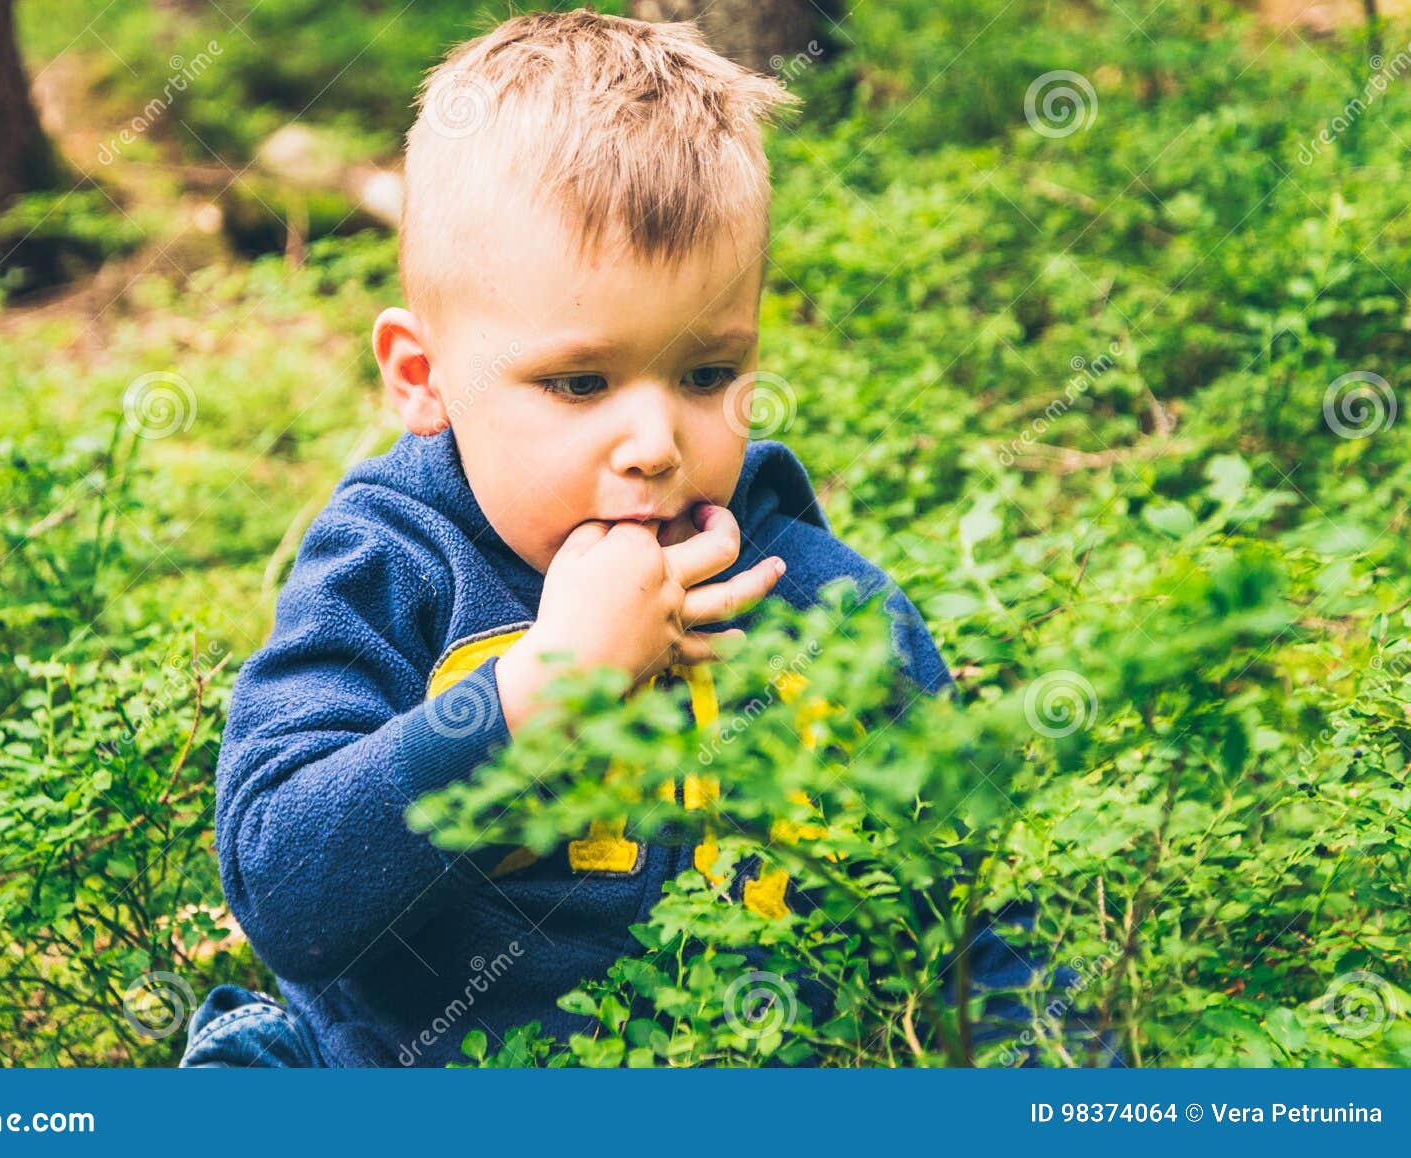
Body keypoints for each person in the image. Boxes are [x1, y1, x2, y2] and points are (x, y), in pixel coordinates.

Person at [181, 8, 968, 1069]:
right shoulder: (393, 570)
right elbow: (288, 895)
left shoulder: (817, 601)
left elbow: (975, 898)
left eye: (705, 374)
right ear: (422, 377)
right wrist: (536, 691)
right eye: (580, 382)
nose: (654, 442)